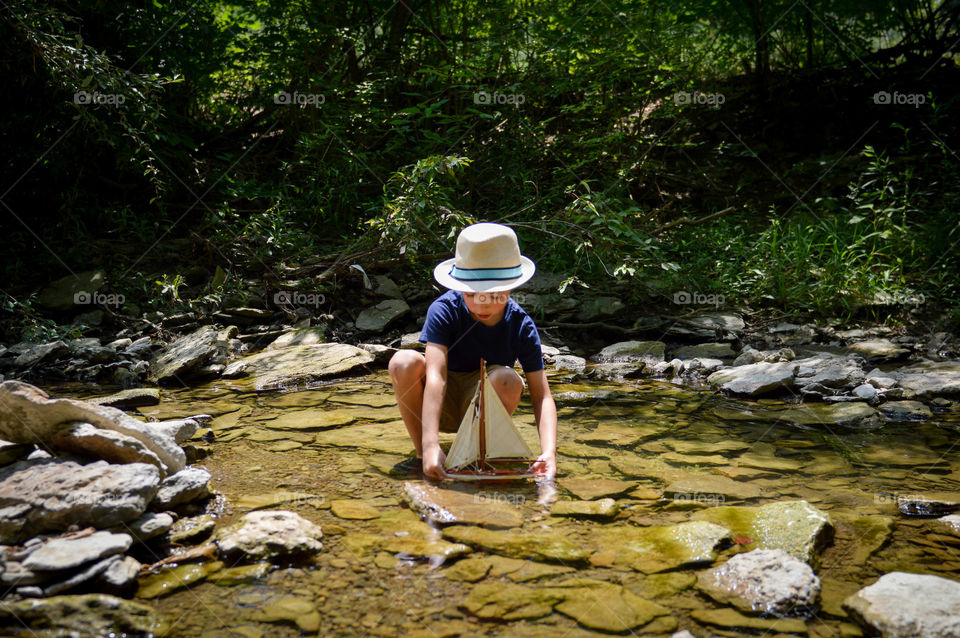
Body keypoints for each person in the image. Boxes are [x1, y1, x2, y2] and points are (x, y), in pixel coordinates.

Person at [388, 222, 558, 479]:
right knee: (403, 361)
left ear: (511, 287)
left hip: (480, 409)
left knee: (507, 379)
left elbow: (542, 397)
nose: (482, 302)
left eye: (494, 295)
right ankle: (423, 456)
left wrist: (549, 453)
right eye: (471, 293)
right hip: (439, 404)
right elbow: (436, 377)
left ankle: (473, 457)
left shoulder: (521, 325)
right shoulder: (443, 310)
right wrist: (431, 443)